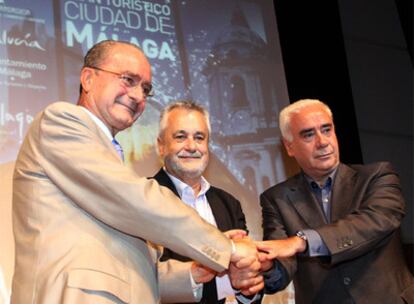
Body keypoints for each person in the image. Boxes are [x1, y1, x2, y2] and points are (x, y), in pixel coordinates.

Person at [11, 40, 262, 304]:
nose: (138, 96)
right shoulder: (60, 121)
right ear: (88, 78)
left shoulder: (108, 158)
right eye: (128, 80)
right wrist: (227, 249)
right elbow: (132, 198)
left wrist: (193, 272)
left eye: (146, 89)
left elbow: (127, 272)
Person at [256, 99, 414, 304]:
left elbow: (375, 222)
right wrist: (267, 266)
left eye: (327, 130)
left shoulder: (378, 176)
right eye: (309, 134)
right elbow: (280, 270)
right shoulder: (276, 199)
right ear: (289, 147)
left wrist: (301, 241)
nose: (322, 142)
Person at [153, 100, 262, 304]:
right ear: (161, 146)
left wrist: (246, 288)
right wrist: (219, 253)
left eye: (199, 137)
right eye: (180, 137)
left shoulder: (229, 204)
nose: (191, 146)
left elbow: (249, 281)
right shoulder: (145, 198)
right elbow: (145, 280)